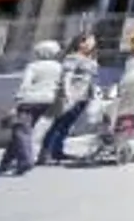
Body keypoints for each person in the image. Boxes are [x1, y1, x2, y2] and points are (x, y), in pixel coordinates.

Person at [0, 41, 63, 175]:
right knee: (21, 130)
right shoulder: (59, 67)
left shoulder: (33, 66)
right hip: (48, 101)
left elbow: (25, 85)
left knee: (21, 131)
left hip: (30, 100)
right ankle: (5, 162)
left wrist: (17, 102)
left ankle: (25, 161)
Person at [39, 33, 97, 164]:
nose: (93, 43)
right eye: (90, 41)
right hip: (72, 96)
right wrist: (67, 93)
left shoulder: (89, 59)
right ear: (80, 43)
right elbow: (67, 76)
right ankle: (45, 153)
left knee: (66, 125)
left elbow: (88, 79)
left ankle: (57, 151)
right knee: (59, 124)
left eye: (93, 41)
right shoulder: (73, 58)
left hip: (83, 96)